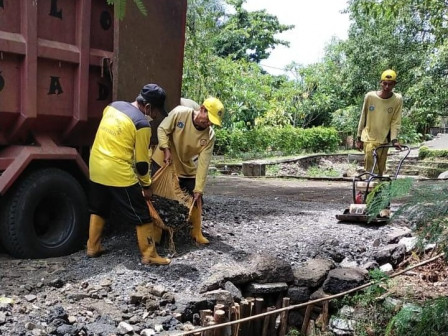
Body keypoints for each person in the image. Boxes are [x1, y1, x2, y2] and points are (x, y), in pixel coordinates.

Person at [86, 83, 171, 265]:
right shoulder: (142, 124)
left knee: (99, 207)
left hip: (95, 165)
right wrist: (147, 185)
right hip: (117, 172)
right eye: (155, 111)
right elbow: (141, 164)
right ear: (147, 107)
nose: (155, 116)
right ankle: (149, 255)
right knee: (141, 213)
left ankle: (93, 247)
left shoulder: (113, 106)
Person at [151, 97, 225, 244]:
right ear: (202, 109)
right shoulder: (180, 113)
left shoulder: (209, 136)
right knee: (159, 197)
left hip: (185, 165)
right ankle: (156, 234)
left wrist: (199, 189)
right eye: (208, 118)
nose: (209, 123)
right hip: (163, 161)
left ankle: (196, 232)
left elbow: (203, 164)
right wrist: (165, 149)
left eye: (212, 121)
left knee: (197, 199)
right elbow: (162, 129)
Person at [356, 69, 403, 176]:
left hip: (384, 140)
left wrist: (394, 140)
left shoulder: (397, 99)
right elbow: (363, 117)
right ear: (380, 83)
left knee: (380, 170)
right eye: (384, 84)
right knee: (371, 169)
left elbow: (395, 121)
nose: (387, 87)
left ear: (394, 84)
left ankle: (376, 191)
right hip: (369, 138)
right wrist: (358, 138)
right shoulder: (370, 96)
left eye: (390, 84)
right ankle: (369, 190)